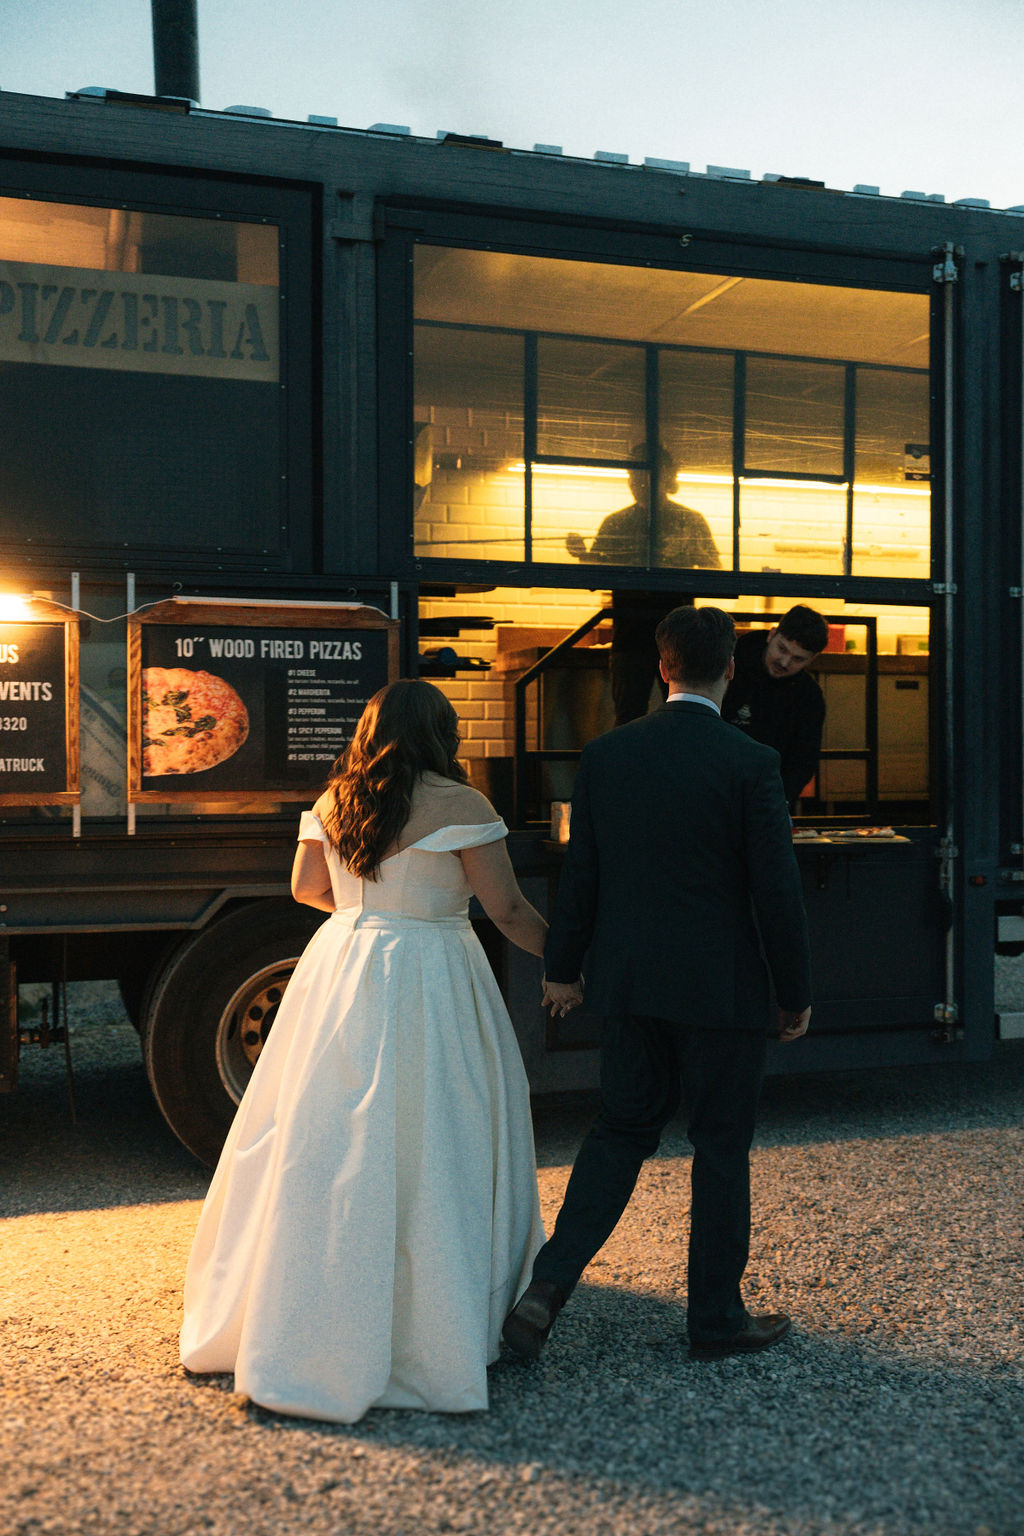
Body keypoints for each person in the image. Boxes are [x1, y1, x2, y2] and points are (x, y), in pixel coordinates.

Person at [180, 679, 547, 1422]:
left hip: (341, 967)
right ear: (443, 732)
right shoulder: (464, 806)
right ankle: (432, 1318)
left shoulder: (335, 801)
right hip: (433, 972)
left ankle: (305, 1302)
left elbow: (306, 889)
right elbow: (505, 909)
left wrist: (363, 913)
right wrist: (572, 962)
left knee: (323, 1133)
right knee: (434, 1133)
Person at [504, 606, 812, 1363]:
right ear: (729, 668)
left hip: (631, 983)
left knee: (619, 1133)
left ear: (663, 668)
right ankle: (714, 1318)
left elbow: (585, 876)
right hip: (722, 989)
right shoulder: (752, 762)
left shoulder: (608, 754)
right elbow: (777, 890)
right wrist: (794, 990)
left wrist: (564, 968)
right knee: (719, 1146)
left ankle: (546, 1290)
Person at [565, 445, 721, 727]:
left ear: (666, 478)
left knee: (651, 716)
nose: (637, 483)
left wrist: (586, 557)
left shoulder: (680, 522)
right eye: (633, 476)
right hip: (654, 635)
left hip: (653, 635)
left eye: (644, 475)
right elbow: (598, 573)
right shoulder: (681, 522)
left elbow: (714, 571)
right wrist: (584, 556)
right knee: (657, 714)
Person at [721, 605, 829, 807]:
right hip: (713, 782)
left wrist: (777, 801)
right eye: (782, 649)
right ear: (771, 635)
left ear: (812, 659)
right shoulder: (725, 666)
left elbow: (803, 761)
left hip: (767, 796)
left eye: (798, 659)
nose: (785, 662)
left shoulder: (809, 697)